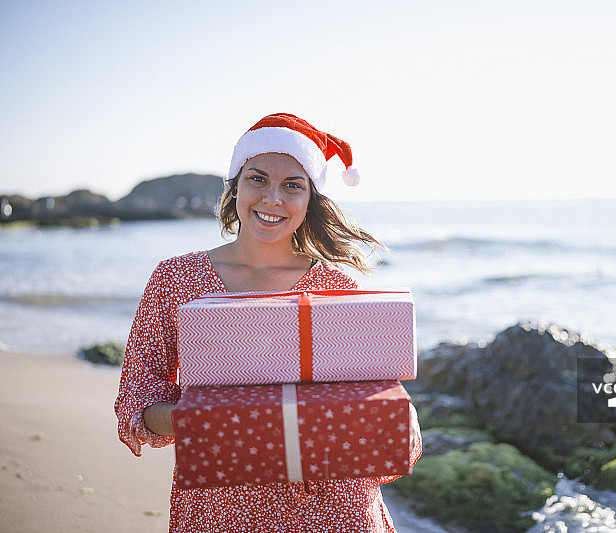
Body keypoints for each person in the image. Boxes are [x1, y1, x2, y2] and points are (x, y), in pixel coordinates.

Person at [115, 113, 422, 533]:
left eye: (292, 185)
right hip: (221, 511)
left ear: (310, 199)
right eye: (258, 179)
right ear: (235, 186)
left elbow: (385, 434)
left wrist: (397, 420)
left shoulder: (338, 287)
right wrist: (209, 417)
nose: (272, 198)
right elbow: (136, 406)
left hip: (335, 511)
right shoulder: (176, 281)